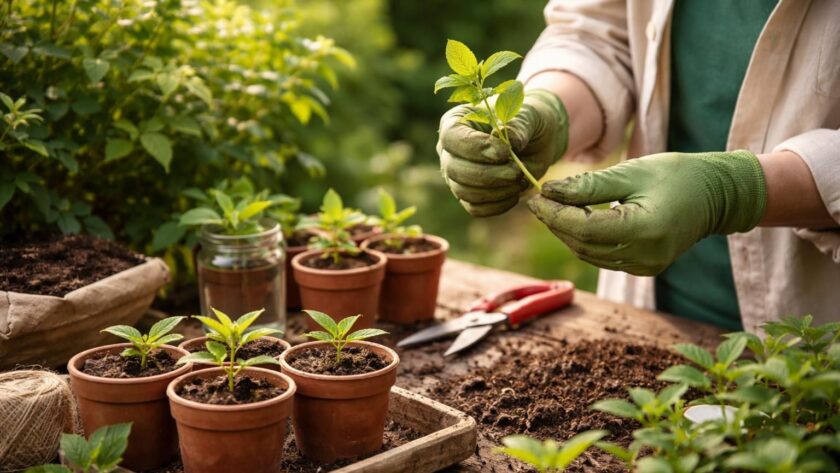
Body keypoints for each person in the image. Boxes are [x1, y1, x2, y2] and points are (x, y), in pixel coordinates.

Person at [437, 0, 840, 333]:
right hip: (654, 318)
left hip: (816, 333)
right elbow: (598, 31)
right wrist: (548, 111)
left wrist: (736, 190)